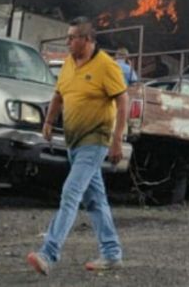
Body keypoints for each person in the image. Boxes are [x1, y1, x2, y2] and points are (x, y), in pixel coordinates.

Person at [27, 17, 128, 275]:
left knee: (70, 193)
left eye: (72, 38)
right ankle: (112, 252)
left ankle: (48, 253)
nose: (68, 42)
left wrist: (117, 139)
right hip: (73, 142)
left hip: (95, 141)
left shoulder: (106, 66)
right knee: (95, 199)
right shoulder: (69, 64)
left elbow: (122, 100)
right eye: (68, 37)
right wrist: (49, 121)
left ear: (87, 40)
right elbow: (59, 94)